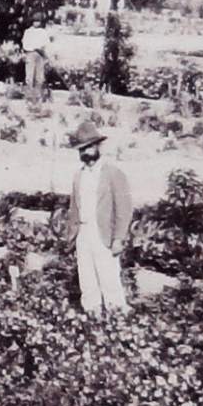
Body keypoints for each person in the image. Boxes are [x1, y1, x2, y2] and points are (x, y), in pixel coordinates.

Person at [66, 121, 133, 315]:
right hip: (84, 232)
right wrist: (72, 237)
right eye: (81, 149)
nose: (85, 152)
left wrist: (118, 238)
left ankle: (117, 314)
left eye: (88, 147)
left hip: (103, 233)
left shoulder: (113, 174)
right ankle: (92, 314)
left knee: (109, 277)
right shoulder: (79, 176)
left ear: (97, 146)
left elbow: (124, 208)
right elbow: (74, 209)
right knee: (86, 278)